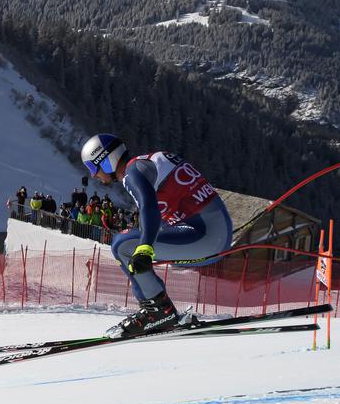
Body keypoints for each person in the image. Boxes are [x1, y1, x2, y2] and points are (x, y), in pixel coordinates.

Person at [81, 133, 231, 338]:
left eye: (92, 167)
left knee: (122, 245)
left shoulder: (132, 174)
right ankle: (157, 310)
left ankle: (157, 312)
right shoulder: (152, 160)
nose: (93, 175)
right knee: (133, 241)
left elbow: (148, 205)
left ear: (106, 161)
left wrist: (144, 247)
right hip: (214, 233)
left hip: (205, 237)